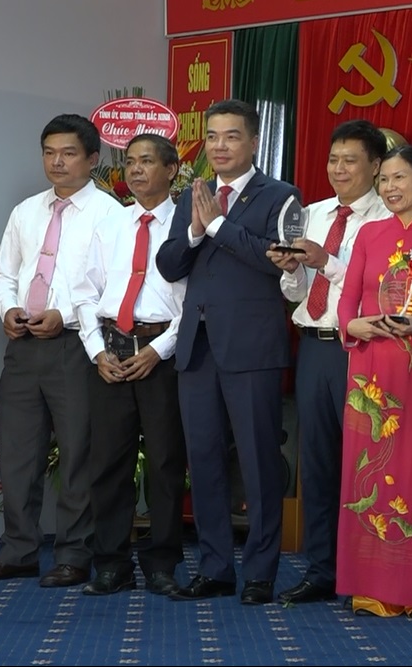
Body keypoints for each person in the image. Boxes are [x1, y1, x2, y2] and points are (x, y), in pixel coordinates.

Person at [155, 98, 300, 606]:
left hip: (252, 347)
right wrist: (196, 230)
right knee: (204, 460)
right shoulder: (191, 196)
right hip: (197, 347)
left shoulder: (281, 195)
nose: (219, 146)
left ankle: (260, 572)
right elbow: (169, 265)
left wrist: (218, 226)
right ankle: (215, 568)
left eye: (231, 136)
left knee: (258, 462)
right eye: (212, 136)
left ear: (254, 141)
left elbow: (277, 261)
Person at [0, 114, 122, 587]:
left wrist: (66, 314)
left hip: (77, 346)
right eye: (49, 152)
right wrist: (8, 309)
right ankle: (18, 551)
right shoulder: (27, 211)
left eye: (69, 153)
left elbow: (115, 287)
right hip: (22, 347)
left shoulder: (110, 214)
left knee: (78, 453)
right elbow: (2, 273)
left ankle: (74, 555)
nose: (57, 162)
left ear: (93, 159)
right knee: (18, 453)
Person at [267, 120, 389, 605]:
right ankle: (321, 569)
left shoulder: (388, 218)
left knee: (366, 463)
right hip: (314, 346)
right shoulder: (311, 214)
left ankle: (369, 571)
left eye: (350, 160)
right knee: (316, 461)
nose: (338, 169)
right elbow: (298, 292)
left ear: (375, 166)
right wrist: (292, 270)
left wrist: (324, 262)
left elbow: (374, 285)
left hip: (363, 348)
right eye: (333, 160)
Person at [72, 134, 187, 597]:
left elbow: (196, 302)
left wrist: (159, 350)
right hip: (110, 354)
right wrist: (97, 351)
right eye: (130, 162)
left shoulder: (188, 226)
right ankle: (111, 565)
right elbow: (85, 292)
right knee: (108, 463)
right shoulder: (112, 224)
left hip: (161, 355)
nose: (136, 170)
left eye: (146, 161)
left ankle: (162, 564)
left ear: (171, 170)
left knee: (165, 463)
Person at [334, 145, 412, 616]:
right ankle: (369, 585)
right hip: (370, 367)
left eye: (400, 178)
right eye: (384, 180)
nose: (391, 187)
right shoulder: (369, 233)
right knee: (366, 473)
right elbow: (348, 297)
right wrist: (351, 326)